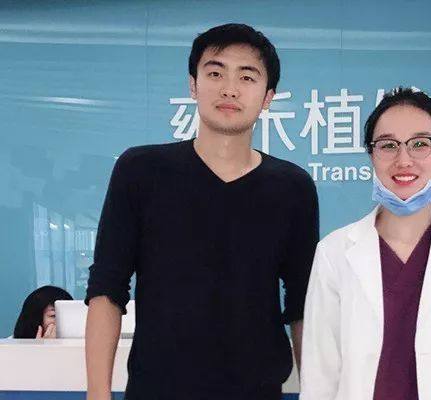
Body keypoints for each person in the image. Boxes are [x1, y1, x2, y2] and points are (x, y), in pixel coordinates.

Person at [85, 24, 319, 400]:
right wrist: (97, 393)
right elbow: (106, 289)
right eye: (215, 73)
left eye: (247, 76)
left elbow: (302, 305)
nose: (229, 89)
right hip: (156, 390)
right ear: (193, 85)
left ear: (268, 97)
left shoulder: (292, 187)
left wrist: (316, 392)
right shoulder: (141, 170)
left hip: (256, 391)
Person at [300, 87, 431, 400]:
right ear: (371, 154)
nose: (404, 160)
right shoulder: (335, 252)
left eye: (420, 144)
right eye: (388, 145)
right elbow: (319, 373)